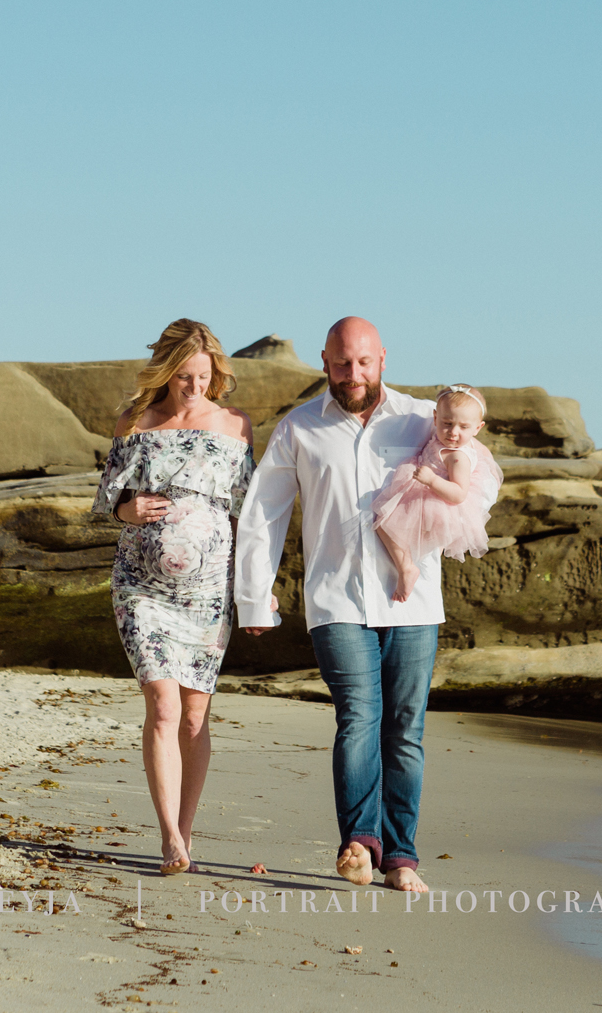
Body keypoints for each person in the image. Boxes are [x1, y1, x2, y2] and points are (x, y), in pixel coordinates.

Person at [234, 317, 500, 893]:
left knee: (405, 729)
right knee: (359, 717)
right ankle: (360, 842)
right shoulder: (300, 428)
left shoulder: (419, 420)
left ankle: (401, 857)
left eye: (362, 362)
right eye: (340, 363)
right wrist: (255, 597)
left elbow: (476, 474)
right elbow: (264, 512)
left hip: (413, 600)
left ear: (382, 359)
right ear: (324, 364)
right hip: (336, 598)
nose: (352, 374)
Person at [91, 319, 255, 876]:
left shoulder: (235, 426)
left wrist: (257, 591)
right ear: (165, 373)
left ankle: (186, 829)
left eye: (204, 376)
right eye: (183, 376)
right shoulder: (136, 421)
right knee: (162, 706)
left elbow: (247, 514)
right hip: (140, 586)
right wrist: (125, 511)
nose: (194, 387)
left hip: (207, 595)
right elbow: (105, 501)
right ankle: (168, 838)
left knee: (193, 716)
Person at [371, 384, 500, 601]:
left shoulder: (458, 457)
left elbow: (459, 493)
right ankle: (417, 568)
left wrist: (432, 480)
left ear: (478, 428)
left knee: (384, 522)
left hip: (439, 500)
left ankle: (406, 568)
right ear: (435, 417)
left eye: (463, 427)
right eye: (447, 423)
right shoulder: (441, 438)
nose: (453, 432)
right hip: (426, 489)